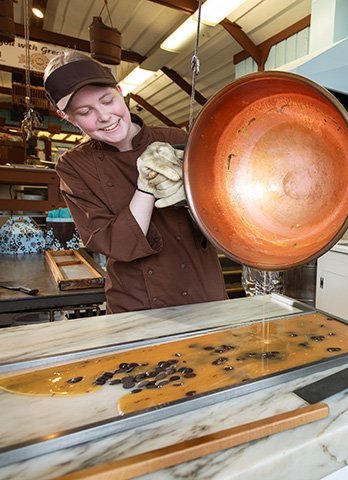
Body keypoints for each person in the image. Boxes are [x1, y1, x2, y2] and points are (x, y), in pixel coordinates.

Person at [43, 52, 228, 314]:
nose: (104, 116)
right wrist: (146, 188)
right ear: (69, 119)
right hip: (134, 302)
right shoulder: (74, 165)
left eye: (108, 101)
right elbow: (111, 242)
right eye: (85, 112)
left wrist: (191, 198)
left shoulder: (175, 137)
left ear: (120, 92)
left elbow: (221, 217)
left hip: (201, 290)